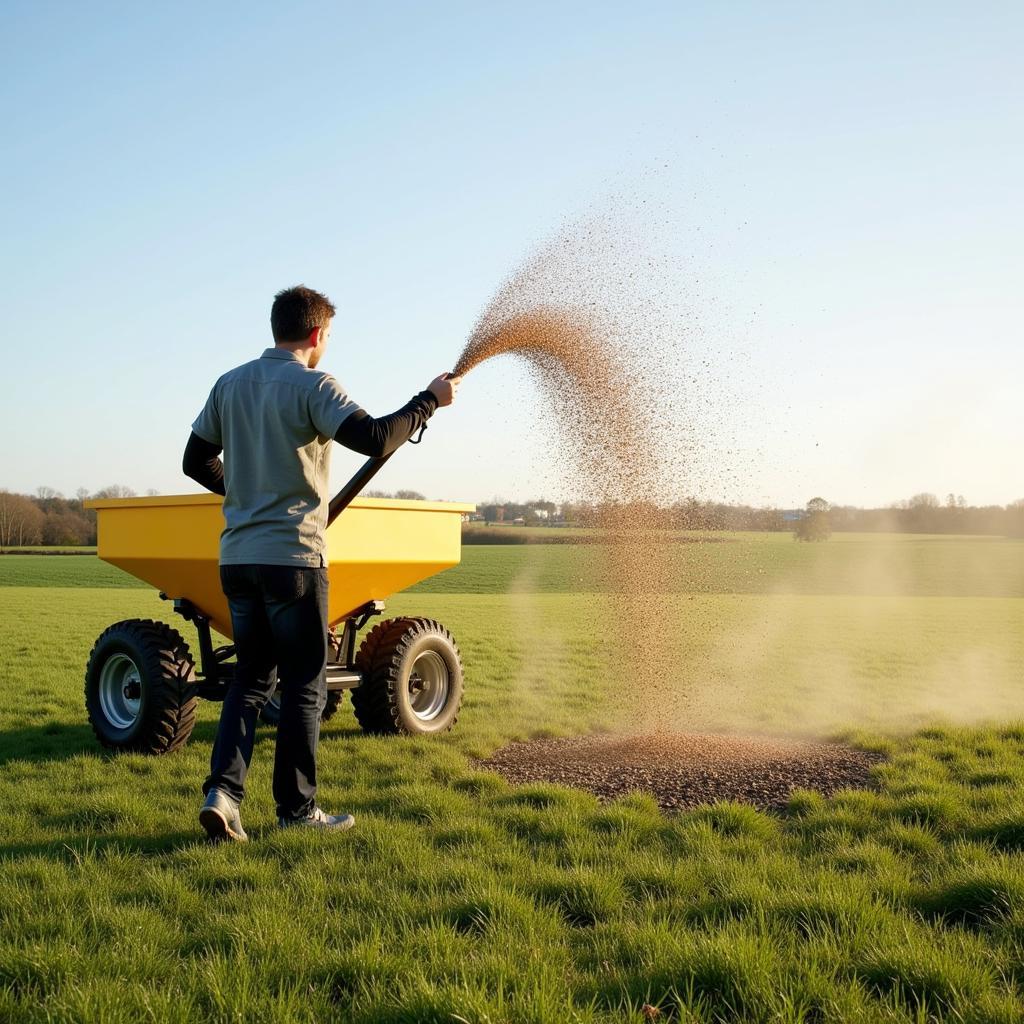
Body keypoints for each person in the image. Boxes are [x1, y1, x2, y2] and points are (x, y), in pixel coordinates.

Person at [183, 285, 459, 841]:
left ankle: (223, 794)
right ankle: (296, 811)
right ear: (316, 334)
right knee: (307, 686)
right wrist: (428, 401)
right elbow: (376, 438)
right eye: (328, 335)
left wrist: (244, 494)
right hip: (294, 562)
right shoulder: (314, 385)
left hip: (237, 560)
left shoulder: (228, 384)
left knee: (251, 680)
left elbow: (194, 460)